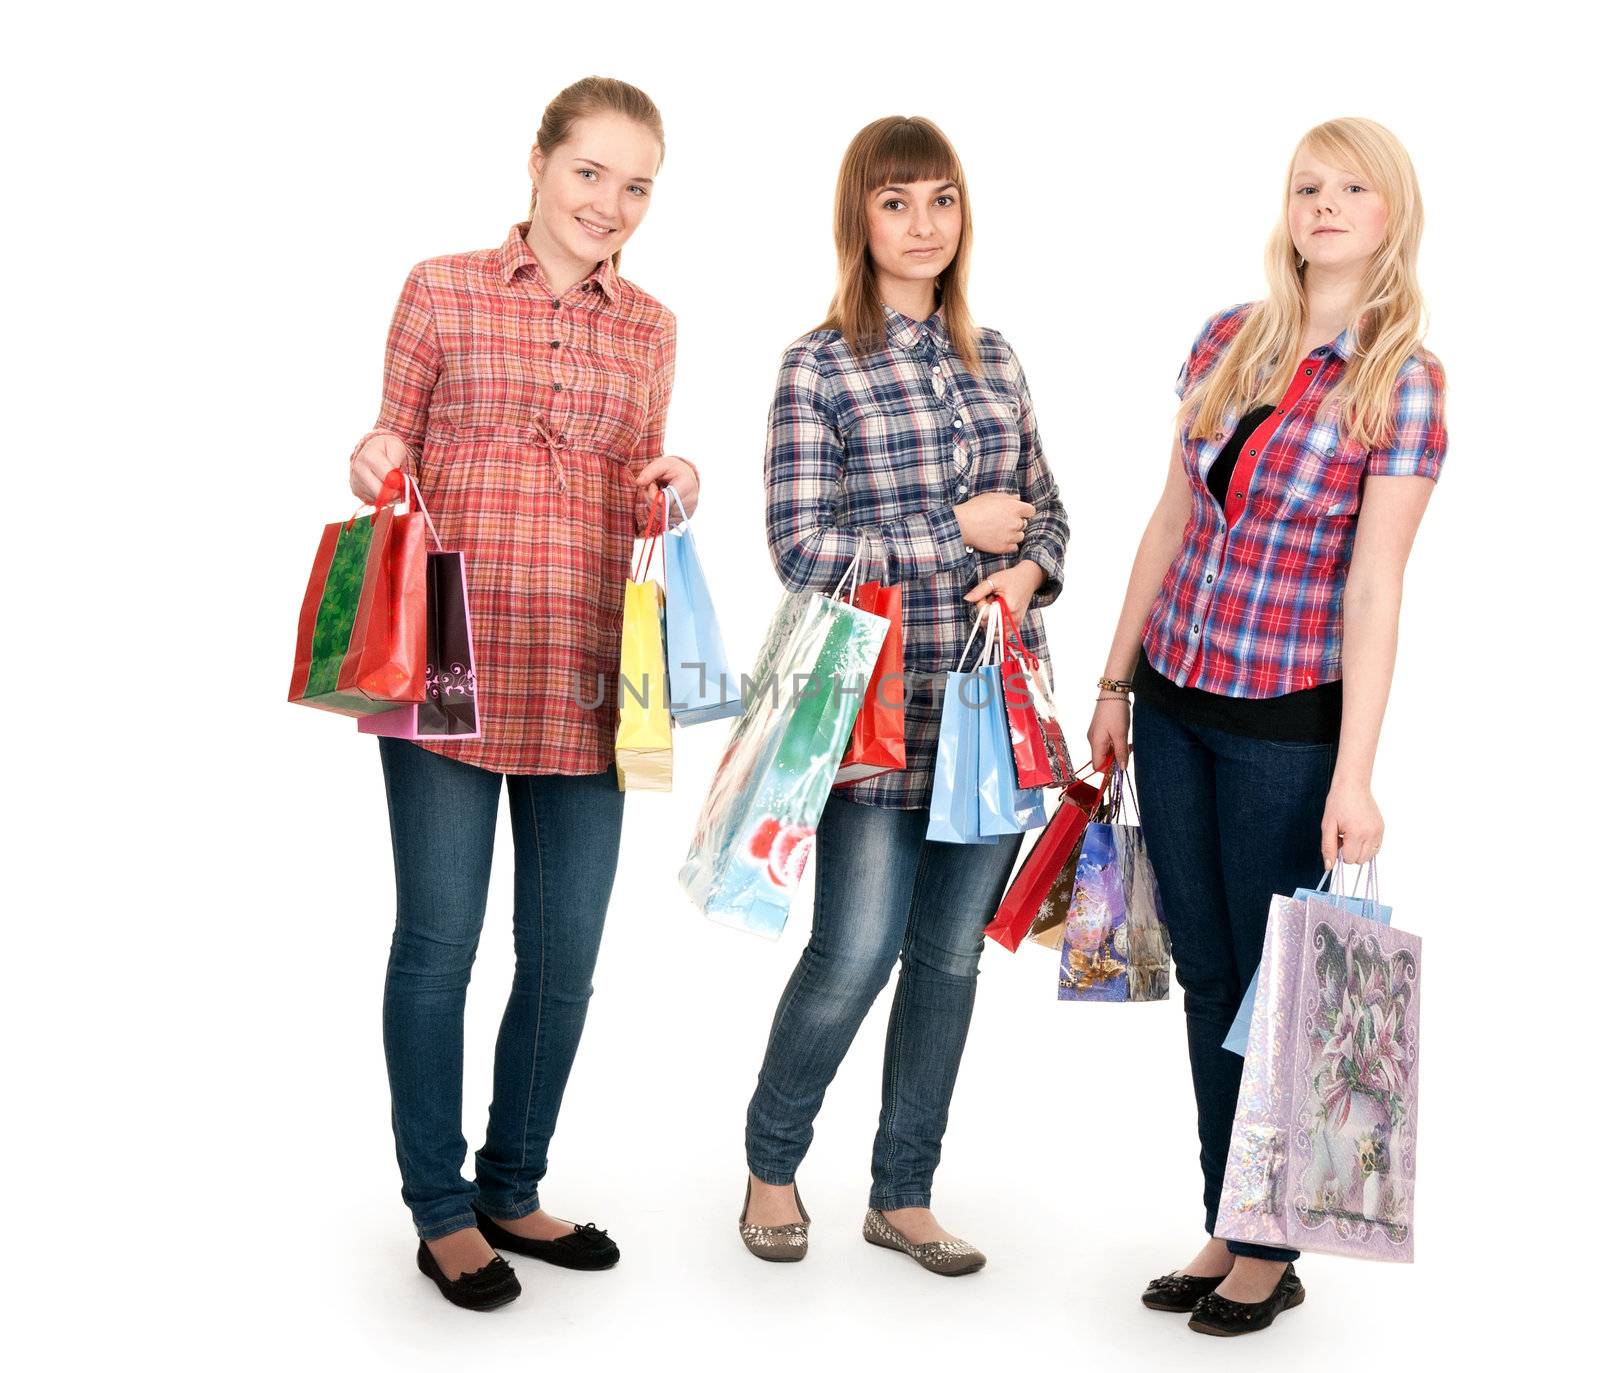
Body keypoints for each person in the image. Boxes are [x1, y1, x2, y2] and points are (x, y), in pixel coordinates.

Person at [1085, 117, 1446, 1336]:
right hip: (1177, 707)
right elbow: (1167, 522)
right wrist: (1113, 680)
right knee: (1206, 975)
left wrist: (1357, 772)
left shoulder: (1403, 379)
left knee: (1275, 994)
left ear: (1390, 214)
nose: (1325, 204)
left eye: (1352, 188)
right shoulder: (1226, 339)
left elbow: (1375, 586)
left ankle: (1271, 1245)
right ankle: (1228, 1218)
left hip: (1287, 733)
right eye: (1307, 185)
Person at [346, 76, 699, 1311]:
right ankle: (440, 1210)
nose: (611, 203)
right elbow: (386, 445)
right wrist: (377, 452)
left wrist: (674, 476)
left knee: (562, 961)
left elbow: (640, 476)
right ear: (539, 162)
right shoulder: (439, 286)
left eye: (637, 184)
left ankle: (512, 1183)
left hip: (590, 668)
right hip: (445, 656)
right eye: (591, 172)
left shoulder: (650, 324)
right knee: (438, 945)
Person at [742, 115, 1070, 1276]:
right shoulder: (818, 363)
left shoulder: (1000, 360)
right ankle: (772, 1165)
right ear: (859, 219)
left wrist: (1030, 565)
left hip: (987, 716)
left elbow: (1049, 516)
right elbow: (799, 548)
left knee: (949, 960)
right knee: (853, 953)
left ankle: (903, 1192)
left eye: (940, 200)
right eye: (897, 202)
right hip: (872, 718)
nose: (922, 224)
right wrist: (953, 536)